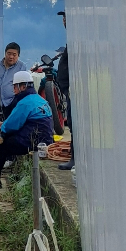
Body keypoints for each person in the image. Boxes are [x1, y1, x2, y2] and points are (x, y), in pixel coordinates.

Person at [0, 71, 54, 188]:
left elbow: (11, 125)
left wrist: (1, 130)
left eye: (15, 87)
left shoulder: (24, 102)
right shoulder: (40, 100)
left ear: (23, 86)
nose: (14, 90)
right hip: (46, 140)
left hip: (33, 141)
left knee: (1, 146)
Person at [56, 11, 74, 170]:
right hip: (70, 90)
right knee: (73, 125)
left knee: (76, 124)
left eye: (66, 18)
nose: (64, 21)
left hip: (74, 90)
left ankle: (76, 159)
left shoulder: (78, 39)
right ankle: (74, 157)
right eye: (63, 18)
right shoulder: (72, 38)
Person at [0, 42, 27, 118]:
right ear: (5, 53)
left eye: (14, 54)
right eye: (9, 54)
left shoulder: (21, 67)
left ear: (18, 55)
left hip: (12, 103)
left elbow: (24, 86)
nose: (11, 57)